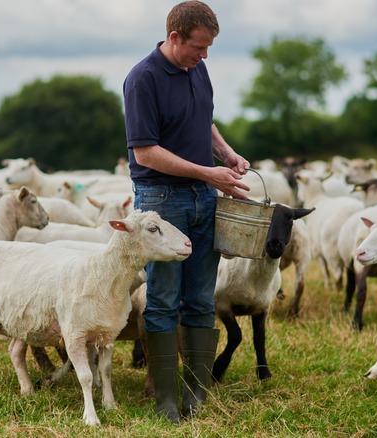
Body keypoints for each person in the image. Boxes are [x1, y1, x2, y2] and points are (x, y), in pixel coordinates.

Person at [122, 0, 251, 423]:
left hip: (203, 197)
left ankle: (196, 392)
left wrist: (226, 154)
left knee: (200, 298)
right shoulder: (142, 79)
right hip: (161, 201)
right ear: (174, 37)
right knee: (162, 300)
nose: (205, 56)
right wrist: (206, 173)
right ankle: (165, 397)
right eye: (199, 47)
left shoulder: (197, 70)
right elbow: (147, 152)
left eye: (209, 47)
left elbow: (203, 120)